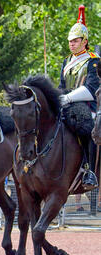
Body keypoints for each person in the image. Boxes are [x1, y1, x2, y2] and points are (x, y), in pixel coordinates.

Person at [58, 5, 100, 191]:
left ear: (84, 41)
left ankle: (90, 170)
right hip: (66, 103)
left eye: (75, 41)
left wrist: (66, 99)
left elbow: (91, 89)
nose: (72, 44)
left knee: (86, 125)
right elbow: (61, 86)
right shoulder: (67, 62)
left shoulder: (93, 60)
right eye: (70, 41)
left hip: (87, 105)